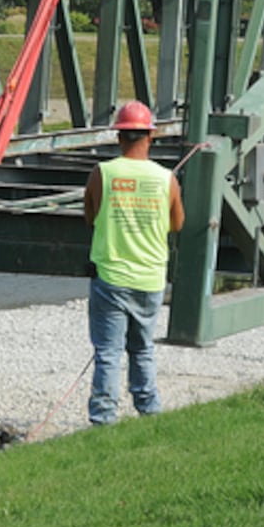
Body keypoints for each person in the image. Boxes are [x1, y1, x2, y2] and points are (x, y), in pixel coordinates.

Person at [82, 100, 185, 425]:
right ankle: (149, 411)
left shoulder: (104, 173)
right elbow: (177, 223)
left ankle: (104, 418)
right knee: (142, 349)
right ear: (150, 137)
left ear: (119, 137)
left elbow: (90, 216)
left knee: (109, 352)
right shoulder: (166, 178)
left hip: (111, 277)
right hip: (150, 279)